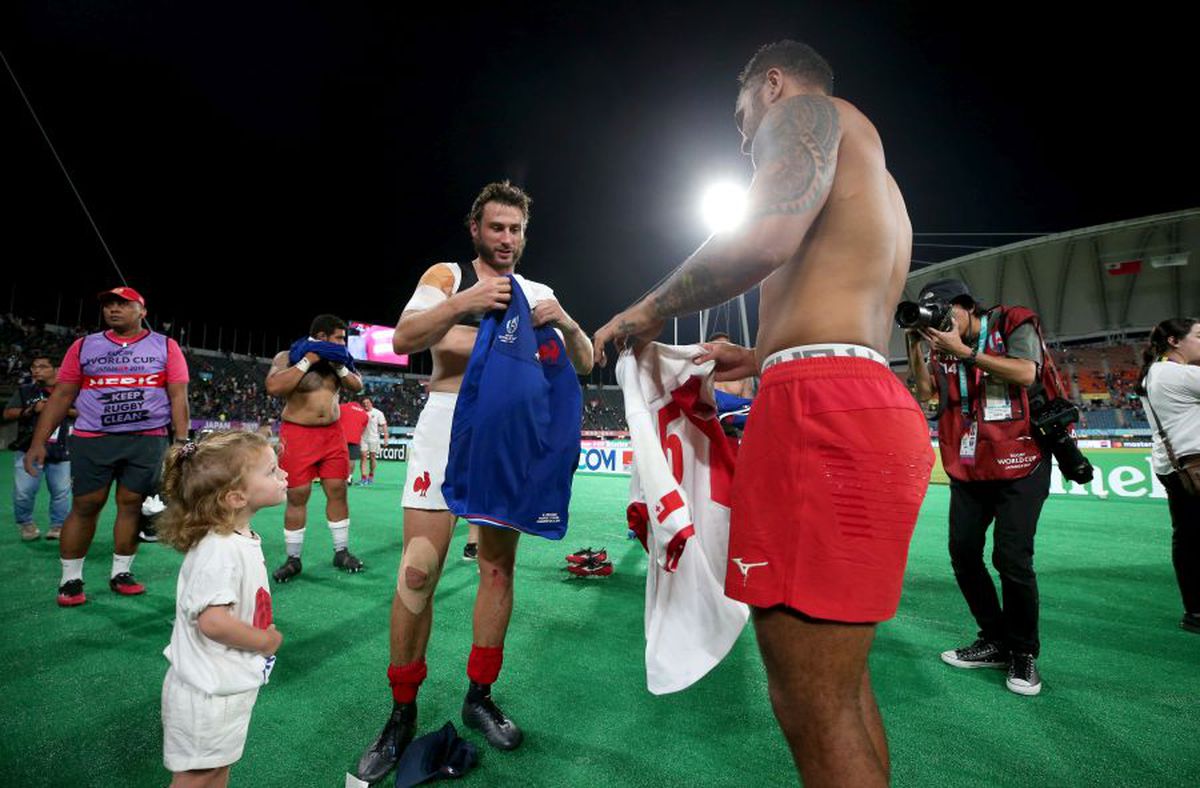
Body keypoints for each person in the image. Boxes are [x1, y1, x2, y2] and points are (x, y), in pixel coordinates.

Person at [593, 41, 932, 786]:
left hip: (822, 412)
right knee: (840, 694)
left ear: (771, 85)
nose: (746, 140)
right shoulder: (879, 176)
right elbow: (842, 314)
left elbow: (766, 234)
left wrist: (648, 310)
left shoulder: (809, 113)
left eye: (743, 120)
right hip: (861, 395)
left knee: (811, 706)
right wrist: (758, 356)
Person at [355, 181, 593, 783]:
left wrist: (563, 320)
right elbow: (405, 338)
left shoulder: (540, 294)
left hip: (508, 441)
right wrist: (465, 305)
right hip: (444, 425)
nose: (507, 239)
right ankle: (400, 712)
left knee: (497, 569)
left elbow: (587, 361)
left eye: (515, 229)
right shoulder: (447, 275)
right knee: (417, 570)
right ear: (475, 230)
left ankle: (479, 695)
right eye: (496, 228)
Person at [906, 279, 1052, 696]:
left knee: (1012, 558)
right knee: (963, 553)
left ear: (968, 306)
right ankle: (996, 639)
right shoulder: (941, 345)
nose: (942, 322)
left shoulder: (1011, 323)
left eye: (946, 313)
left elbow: (1027, 373)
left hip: (1021, 458)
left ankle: (1024, 652)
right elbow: (928, 394)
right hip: (970, 462)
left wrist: (967, 353)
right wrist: (917, 345)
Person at [25, 287, 190, 605]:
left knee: (132, 505)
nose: (113, 309)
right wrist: (38, 441)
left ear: (142, 310)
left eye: (123, 304)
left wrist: (180, 441)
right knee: (86, 506)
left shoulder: (166, 346)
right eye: (108, 305)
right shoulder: (84, 346)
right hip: (93, 439)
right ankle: (70, 580)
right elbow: (61, 396)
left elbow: (177, 395)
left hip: (147, 439)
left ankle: (121, 573)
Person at [157, 432, 286, 788]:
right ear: (235, 497)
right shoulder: (220, 549)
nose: (284, 476)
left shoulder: (237, 536)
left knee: (217, 769)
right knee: (198, 776)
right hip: (206, 693)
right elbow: (212, 622)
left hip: (223, 686)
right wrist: (264, 639)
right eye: (272, 471)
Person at [265, 314, 366, 582]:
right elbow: (274, 386)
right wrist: (308, 360)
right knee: (298, 495)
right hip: (298, 434)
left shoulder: (339, 360)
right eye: (339, 337)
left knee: (338, 490)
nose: (343, 342)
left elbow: (358, 386)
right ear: (322, 336)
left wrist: (340, 367)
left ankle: (341, 551)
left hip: (332, 434)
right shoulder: (288, 356)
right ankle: (293, 559)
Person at [1137, 318, 1200, 633]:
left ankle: (1195, 610)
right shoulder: (1177, 374)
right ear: (1175, 341)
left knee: (1188, 537)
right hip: (1193, 465)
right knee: (1190, 539)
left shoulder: (1155, 373)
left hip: (1176, 467)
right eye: (1199, 336)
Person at [5, 354, 73, 541]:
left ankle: (58, 526)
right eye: (34, 367)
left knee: (61, 492)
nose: (36, 370)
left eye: (43, 366)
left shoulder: (70, 391)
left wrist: (56, 408)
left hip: (60, 449)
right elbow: (8, 413)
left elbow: (83, 412)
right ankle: (26, 524)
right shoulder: (25, 390)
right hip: (29, 448)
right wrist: (30, 410)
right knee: (23, 492)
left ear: (57, 370)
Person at [339, 398, 370, 484]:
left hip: (341, 438)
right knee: (351, 459)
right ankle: (349, 478)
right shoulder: (365, 414)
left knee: (338, 458)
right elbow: (363, 429)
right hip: (355, 439)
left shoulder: (342, 407)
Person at [359, 396, 388, 485]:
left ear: (371, 403)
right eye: (364, 403)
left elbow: (384, 425)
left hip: (374, 438)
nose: (365, 404)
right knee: (363, 457)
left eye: (367, 403)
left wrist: (386, 438)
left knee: (372, 457)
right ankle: (364, 478)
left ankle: (371, 475)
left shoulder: (378, 413)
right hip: (362, 438)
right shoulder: (360, 412)